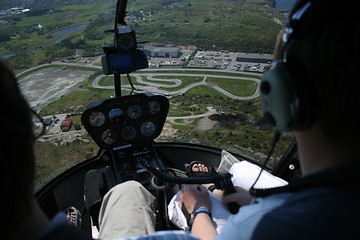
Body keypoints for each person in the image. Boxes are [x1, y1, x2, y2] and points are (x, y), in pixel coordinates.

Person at [179, 0, 360, 239]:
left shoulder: (263, 226)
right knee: (241, 168)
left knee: (141, 194)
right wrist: (261, 200)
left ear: (281, 97)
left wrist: (198, 210)